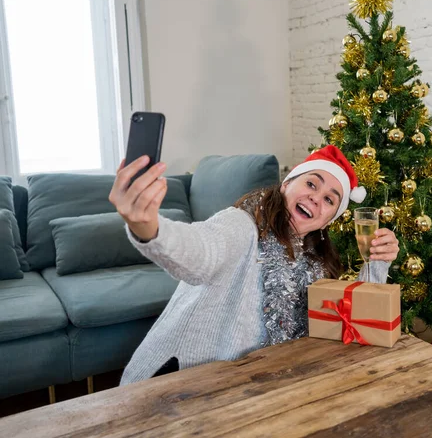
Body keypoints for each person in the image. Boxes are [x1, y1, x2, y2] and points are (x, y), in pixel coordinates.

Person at [109, 145, 400, 385]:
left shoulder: (316, 265)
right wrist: (147, 226)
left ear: (328, 221)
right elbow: (199, 252)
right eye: (311, 183)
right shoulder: (242, 225)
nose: (315, 197)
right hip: (178, 382)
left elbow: (354, 321)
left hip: (250, 390)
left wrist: (377, 261)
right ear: (286, 184)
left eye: (329, 200)